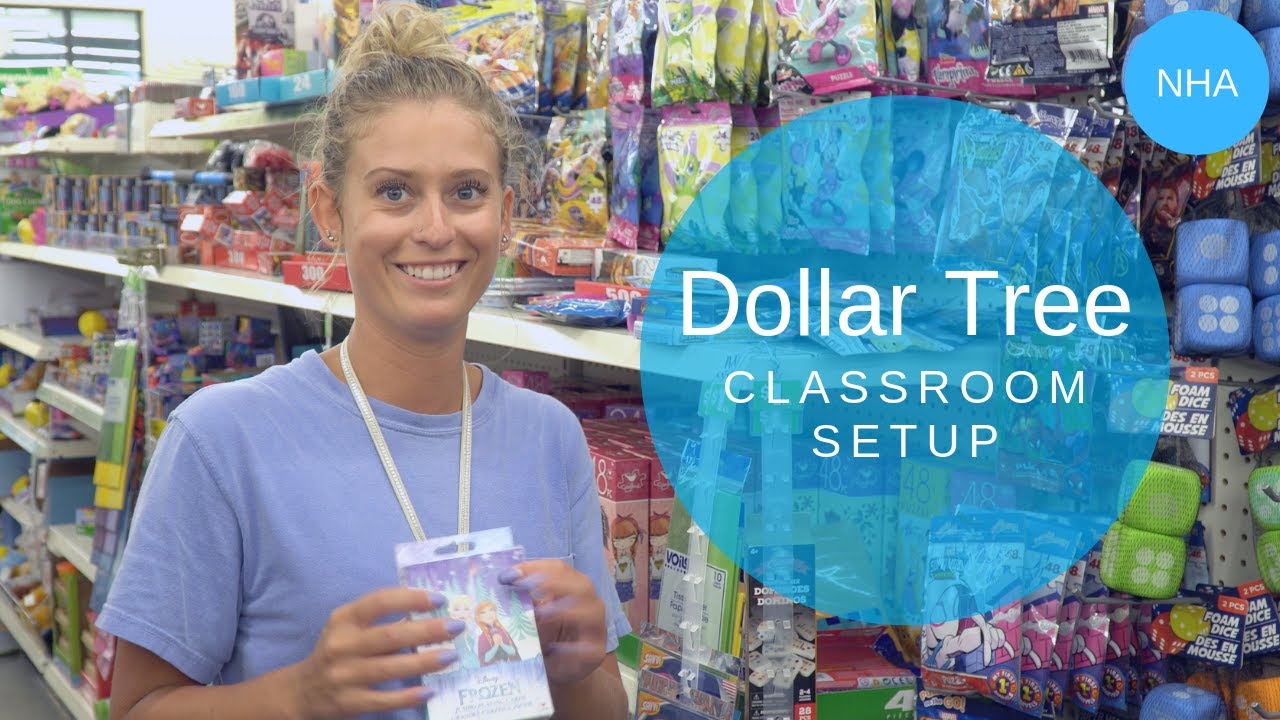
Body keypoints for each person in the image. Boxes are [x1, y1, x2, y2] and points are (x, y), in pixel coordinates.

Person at [96, 4, 631, 719]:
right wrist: (300, 694)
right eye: (393, 192)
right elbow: (138, 708)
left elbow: (601, 707)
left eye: (466, 192)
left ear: (505, 215)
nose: (435, 228)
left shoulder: (550, 436)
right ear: (328, 211)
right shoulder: (221, 441)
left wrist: (575, 669)